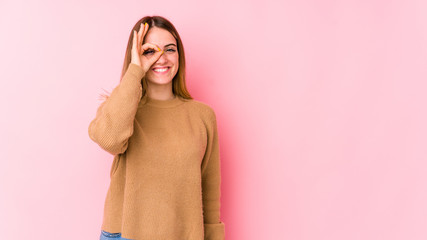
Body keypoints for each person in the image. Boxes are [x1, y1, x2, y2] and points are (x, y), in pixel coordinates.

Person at [88, 15, 225, 240]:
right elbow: (108, 139)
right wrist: (135, 71)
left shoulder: (202, 116)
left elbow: (210, 190)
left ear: (179, 55)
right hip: (126, 234)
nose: (161, 58)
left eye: (169, 49)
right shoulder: (122, 107)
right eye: (150, 51)